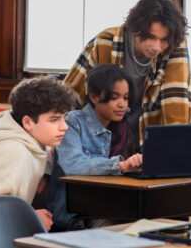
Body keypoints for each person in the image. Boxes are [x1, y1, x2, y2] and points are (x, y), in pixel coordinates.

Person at [64, 0, 191, 149]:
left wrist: (180, 153)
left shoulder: (174, 48)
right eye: (151, 37)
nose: (156, 47)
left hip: (148, 144)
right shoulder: (106, 42)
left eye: (163, 40)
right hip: (99, 144)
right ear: (136, 28)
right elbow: (71, 95)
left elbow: (176, 108)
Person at [48, 64, 143, 231]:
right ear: (94, 96)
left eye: (126, 97)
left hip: (110, 207)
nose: (122, 104)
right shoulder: (72, 122)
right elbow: (73, 165)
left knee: (158, 224)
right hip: (75, 214)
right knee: (122, 233)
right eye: (115, 98)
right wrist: (119, 165)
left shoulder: (123, 127)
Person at [0, 76, 77, 230]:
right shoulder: (12, 152)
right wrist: (30, 217)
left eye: (64, 118)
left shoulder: (18, 131)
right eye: (54, 120)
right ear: (27, 122)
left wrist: (45, 171)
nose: (64, 126)